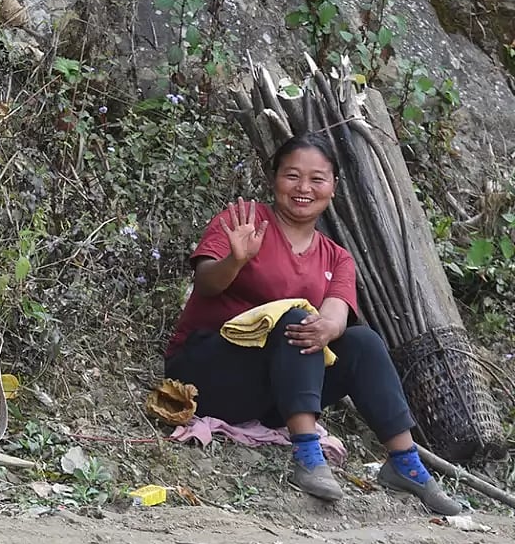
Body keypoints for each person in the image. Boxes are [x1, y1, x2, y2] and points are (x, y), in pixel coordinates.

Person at [164, 132, 461, 515]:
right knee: (298, 318)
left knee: (362, 341)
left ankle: (405, 464)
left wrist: (330, 327)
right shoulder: (245, 221)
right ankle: (307, 455)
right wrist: (235, 260)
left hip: (273, 394)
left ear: (333, 187)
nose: (304, 188)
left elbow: (337, 313)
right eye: (292, 176)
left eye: (317, 179)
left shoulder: (337, 257)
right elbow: (205, 284)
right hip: (207, 375)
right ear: (275, 180)